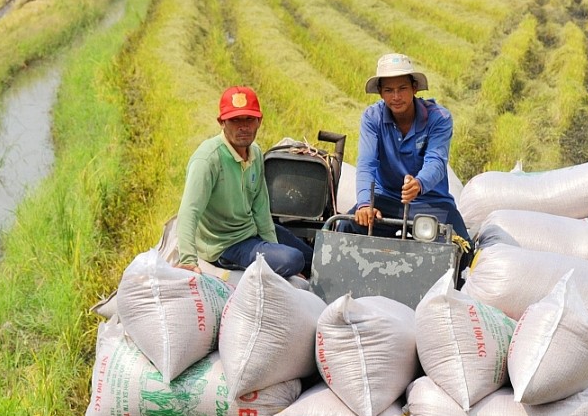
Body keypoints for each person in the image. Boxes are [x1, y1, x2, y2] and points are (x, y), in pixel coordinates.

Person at [175, 86, 312, 279]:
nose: (243, 127)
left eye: (249, 119)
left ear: (259, 121)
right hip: (225, 244)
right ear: (221, 122)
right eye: (235, 120)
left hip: (250, 231)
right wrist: (188, 259)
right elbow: (190, 210)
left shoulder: (255, 152)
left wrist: (273, 247)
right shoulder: (207, 160)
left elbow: (261, 206)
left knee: (311, 257)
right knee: (293, 260)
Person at [339, 53, 472, 251]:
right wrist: (365, 204)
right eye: (389, 90)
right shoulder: (372, 117)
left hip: (430, 200)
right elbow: (367, 163)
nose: (396, 97)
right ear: (380, 93)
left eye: (402, 89)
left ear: (414, 88)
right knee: (344, 230)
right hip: (385, 199)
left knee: (462, 247)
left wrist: (418, 184)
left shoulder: (439, 118)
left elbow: (436, 161)